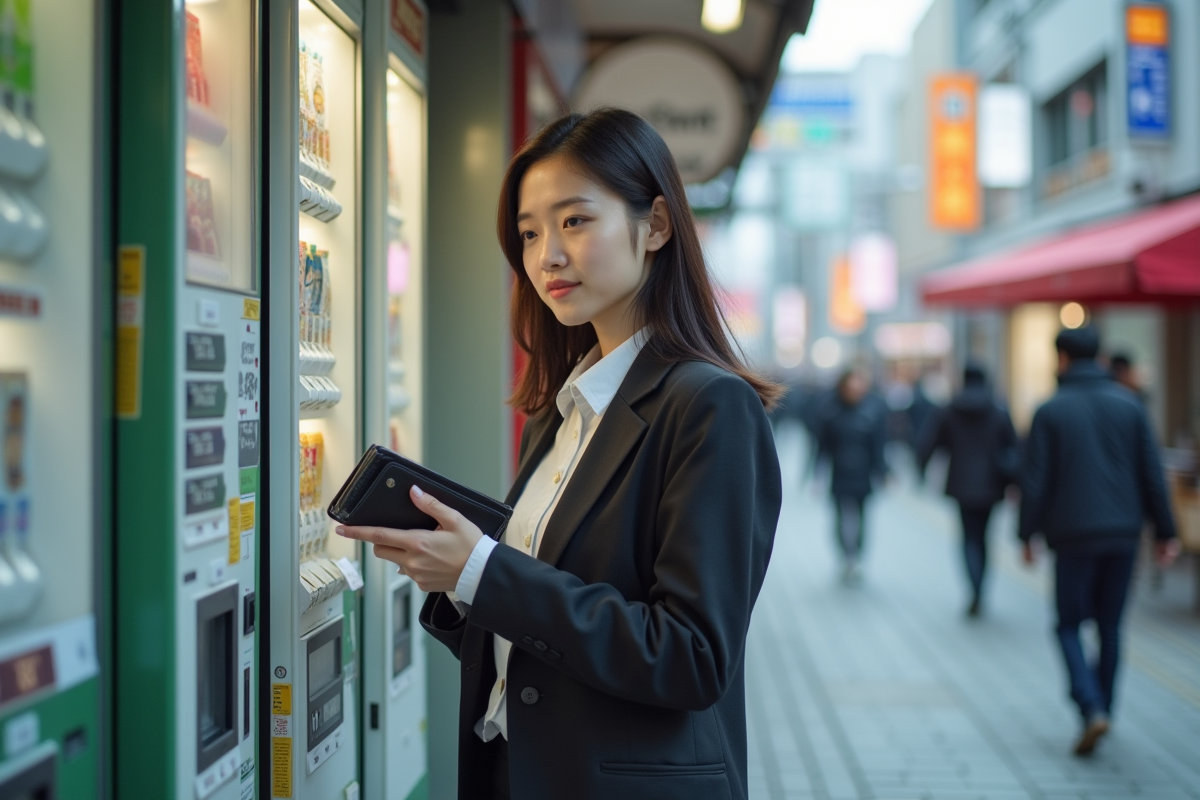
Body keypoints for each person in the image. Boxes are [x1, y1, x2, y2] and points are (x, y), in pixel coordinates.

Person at [336, 108, 782, 800]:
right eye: (528, 232)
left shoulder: (709, 407)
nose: (546, 255)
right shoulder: (560, 410)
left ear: (657, 225)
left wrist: (485, 573)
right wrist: (458, 580)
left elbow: (691, 657)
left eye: (575, 221)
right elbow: (542, 649)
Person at [1019, 326, 1180, 757]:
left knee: (1069, 623)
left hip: (1072, 534)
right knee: (1110, 626)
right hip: (1124, 533)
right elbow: (1152, 473)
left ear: (1062, 359)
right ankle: (1104, 707)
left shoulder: (1049, 411)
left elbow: (1035, 482)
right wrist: (1166, 532)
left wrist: (1025, 534)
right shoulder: (1130, 406)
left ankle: (1090, 707)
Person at [917, 363, 1018, 617]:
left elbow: (928, 444)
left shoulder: (949, 410)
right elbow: (1013, 447)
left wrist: (921, 473)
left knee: (968, 538)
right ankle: (981, 588)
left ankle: (973, 589)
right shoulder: (998, 410)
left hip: (960, 483)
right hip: (992, 484)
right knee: (984, 538)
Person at [816, 369, 888, 582]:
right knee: (840, 516)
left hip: (863, 473)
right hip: (839, 472)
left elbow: (879, 445)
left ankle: (856, 556)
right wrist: (816, 475)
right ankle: (846, 556)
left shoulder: (873, 411)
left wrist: (883, 472)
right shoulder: (830, 411)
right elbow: (822, 446)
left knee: (862, 516)